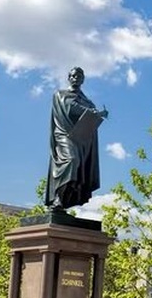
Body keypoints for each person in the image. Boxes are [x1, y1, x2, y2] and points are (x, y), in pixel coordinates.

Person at [44, 67, 108, 211]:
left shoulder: (88, 101)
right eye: (73, 76)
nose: (76, 78)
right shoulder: (60, 94)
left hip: (81, 140)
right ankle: (57, 197)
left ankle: (64, 201)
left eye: (79, 76)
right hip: (64, 135)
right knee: (71, 161)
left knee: (79, 170)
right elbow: (69, 107)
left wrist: (98, 114)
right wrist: (93, 112)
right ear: (69, 77)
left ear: (83, 79)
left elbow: (90, 116)